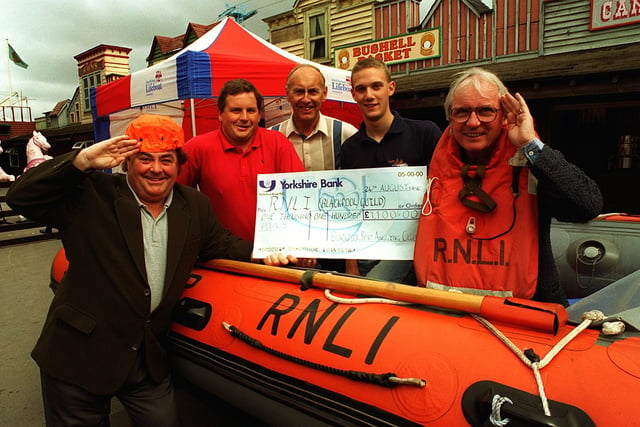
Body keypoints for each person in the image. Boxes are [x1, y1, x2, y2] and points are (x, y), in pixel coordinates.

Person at [5, 114, 295, 426]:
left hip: (145, 362)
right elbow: (20, 197)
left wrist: (269, 252)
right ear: (127, 162)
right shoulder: (90, 193)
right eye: (145, 159)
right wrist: (82, 160)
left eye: (166, 159)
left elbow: (224, 245)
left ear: (178, 164)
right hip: (79, 359)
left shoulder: (194, 205)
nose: (156, 169)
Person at [413, 67, 603, 305]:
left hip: (526, 312)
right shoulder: (432, 165)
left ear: (504, 115)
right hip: (447, 311)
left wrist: (529, 144)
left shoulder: (532, 162)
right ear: (450, 118)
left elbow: (588, 205)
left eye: (486, 111)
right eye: (462, 112)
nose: (473, 122)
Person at [341, 57, 442, 283]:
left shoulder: (425, 133)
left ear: (391, 88)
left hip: (411, 250)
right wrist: (350, 262)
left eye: (376, 86)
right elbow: (349, 208)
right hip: (365, 253)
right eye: (361, 89)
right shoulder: (349, 148)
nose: (369, 95)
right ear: (353, 94)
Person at [178, 78, 305, 243]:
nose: (244, 118)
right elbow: (175, 199)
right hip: (223, 258)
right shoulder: (197, 148)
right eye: (236, 110)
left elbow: (301, 196)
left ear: (259, 114)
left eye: (251, 110)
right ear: (220, 114)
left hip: (274, 255)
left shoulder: (277, 143)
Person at [270, 63, 357, 171]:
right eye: (299, 92)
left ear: (324, 93)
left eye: (312, 92)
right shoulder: (272, 138)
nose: (306, 99)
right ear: (288, 94)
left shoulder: (346, 134)